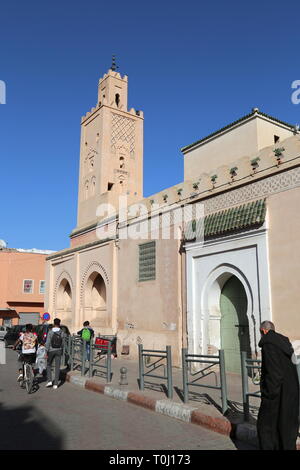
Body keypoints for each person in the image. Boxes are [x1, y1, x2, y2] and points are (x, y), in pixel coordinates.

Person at [257, 321, 299, 450]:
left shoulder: (269, 344)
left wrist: (268, 394)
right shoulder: (284, 342)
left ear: (264, 331)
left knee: (265, 426)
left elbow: (274, 372)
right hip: (290, 392)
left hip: (277, 392)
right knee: (286, 426)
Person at [45, 318, 65, 389]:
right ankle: (56, 384)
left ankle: (50, 380)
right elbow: (63, 343)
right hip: (59, 350)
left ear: (54, 323)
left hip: (51, 350)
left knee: (48, 364)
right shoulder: (62, 332)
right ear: (59, 324)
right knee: (57, 367)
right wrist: (61, 349)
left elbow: (47, 343)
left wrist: (46, 351)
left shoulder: (50, 332)